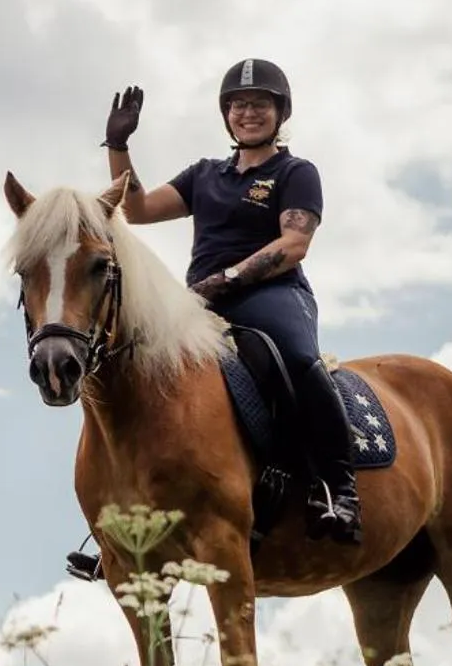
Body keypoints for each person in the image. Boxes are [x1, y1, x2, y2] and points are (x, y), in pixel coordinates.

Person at [99, 59, 361, 547]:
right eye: (238, 105)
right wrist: (118, 146)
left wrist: (229, 279)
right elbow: (136, 210)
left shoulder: (295, 172)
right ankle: (128, 510)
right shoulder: (204, 174)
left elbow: (294, 244)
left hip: (272, 294)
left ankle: (336, 488)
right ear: (226, 115)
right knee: (134, 365)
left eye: (259, 104)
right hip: (201, 300)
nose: (248, 113)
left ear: (280, 113)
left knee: (298, 360)